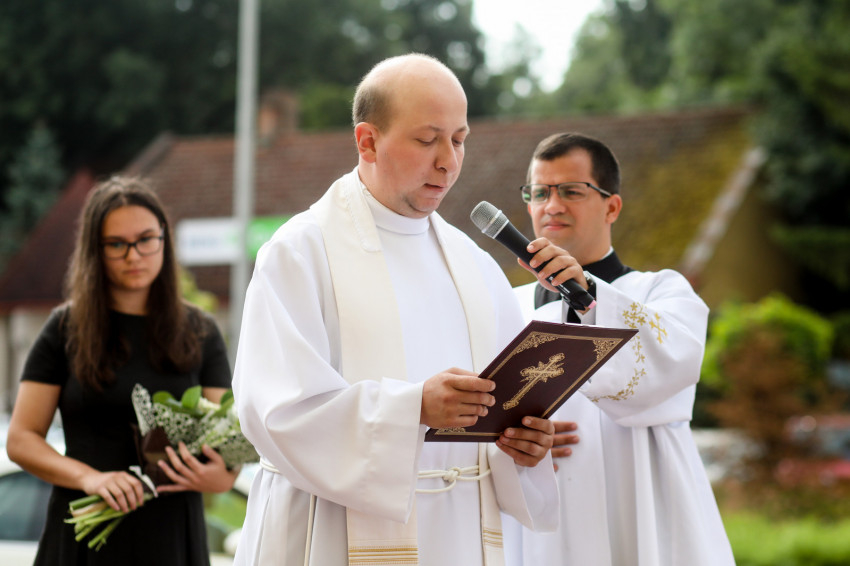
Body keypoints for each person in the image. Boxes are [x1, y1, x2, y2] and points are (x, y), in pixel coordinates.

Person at [231, 53, 559, 566]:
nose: (448, 161)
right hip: (332, 534)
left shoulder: (475, 266)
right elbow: (275, 412)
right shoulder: (301, 252)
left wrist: (524, 446)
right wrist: (414, 410)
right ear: (367, 141)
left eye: (459, 140)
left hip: (459, 536)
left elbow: (508, 406)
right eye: (428, 140)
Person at [503, 133, 735, 566]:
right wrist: (514, 442)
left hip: (638, 509)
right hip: (538, 531)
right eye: (539, 193)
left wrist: (587, 293)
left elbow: (672, 367)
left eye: (571, 191)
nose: (552, 205)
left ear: (612, 207)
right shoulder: (503, 306)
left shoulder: (660, 293)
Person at [6, 176, 236, 565]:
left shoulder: (201, 331)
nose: (134, 256)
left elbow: (227, 444)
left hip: (171, 538)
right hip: (83, 539)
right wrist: (90, 478)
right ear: (94, 251)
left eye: (146, 239)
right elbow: (21, 439)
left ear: (164, 240)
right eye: (116, 244)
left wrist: (221, 476)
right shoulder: (65, 329)